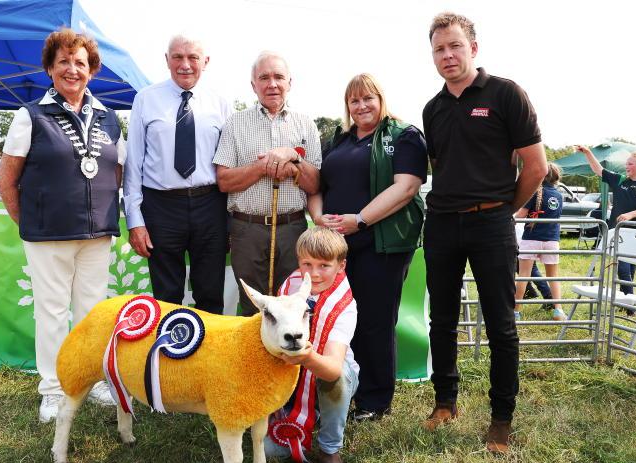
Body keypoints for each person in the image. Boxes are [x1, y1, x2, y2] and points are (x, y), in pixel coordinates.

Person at [421, 12, 548, 454]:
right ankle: (445, 401)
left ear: (473, 48)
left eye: (455, 46)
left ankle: (501, 417)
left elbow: (537, 167)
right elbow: (441, 167)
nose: (448, 55)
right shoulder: (432, 109)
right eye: (439, 48)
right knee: (441, 319)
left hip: (492, 222)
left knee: (501, 324)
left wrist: (503, 210)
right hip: (440, 223)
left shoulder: (506, 94)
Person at [0, 28, 123, 423]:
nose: (72, 69)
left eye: (80, 63)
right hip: (47, 235)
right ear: (50, 68)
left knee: (91, 312)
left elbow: (116, 173)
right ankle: (52, 388)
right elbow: (6, 179)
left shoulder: (110, 118)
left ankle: (93, 380)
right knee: (51, 312)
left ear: (92, 70)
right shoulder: (29, 115)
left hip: (98, 233)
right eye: (63, 62)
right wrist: (29, 220)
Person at [307, 73, 427, 421]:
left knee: (374, 320)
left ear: (381, 99)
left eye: (368, 99)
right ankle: (340, 388)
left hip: (381, 243)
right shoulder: (338, 139)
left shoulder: (404, 136)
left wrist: (358, 219)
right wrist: (318, 218)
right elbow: (317, 183)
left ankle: (374, 401)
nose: (361, 106)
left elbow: (406, 188)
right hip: (338, 247)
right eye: (354, 101)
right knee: (338, 319)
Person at [123, 35, 231, 314]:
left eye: (193, 57)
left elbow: (229, 164)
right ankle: (168, 355)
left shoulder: (220, 104)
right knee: (166, 295)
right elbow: (133, 164)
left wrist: (230, 218)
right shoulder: (145, 99)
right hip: (160, 206)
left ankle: (205, 356)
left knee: (209, 293)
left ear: (205, 62)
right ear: (167, 60)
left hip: (211, 205)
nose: (185, 64)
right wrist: (135, 220)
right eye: (178, 57)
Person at [213, 51, 321, 315]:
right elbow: (224, 181)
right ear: (253, 85)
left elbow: (316, 183)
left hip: (293, 228)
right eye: (264, 78)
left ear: (289, 83)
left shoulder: (306, 124)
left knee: (293, 308)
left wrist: (293, 159)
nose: (272, 84)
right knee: (252, 307)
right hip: (247, 230)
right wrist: (263, 167)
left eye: (278, 77)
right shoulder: (235, 123)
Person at [265, 226, 358, 463]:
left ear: (341, 266)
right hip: (292, 370)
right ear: (298, 262)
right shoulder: (288, 286)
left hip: (328, 371)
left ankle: (329, 451)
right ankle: (284, 414)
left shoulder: (345, 304)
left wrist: (305, 358)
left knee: (336, 380)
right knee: (272, 452)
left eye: (324, 265)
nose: (313, 273)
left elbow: (331, 369)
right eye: (307, 263)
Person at [575, 145, 636, 294]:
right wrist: (588, 153)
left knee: (630, 267)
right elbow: (598, 170)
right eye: (626, 163)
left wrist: (630, 215)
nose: (626, 166)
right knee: (622, 266)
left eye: (630, 163)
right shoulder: (620, 180)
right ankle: (629, 302)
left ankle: (624, 298)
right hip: (619, 232)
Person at [514, 163, 566, 321]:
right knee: (553, 277)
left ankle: (516, 312)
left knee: (524, 275)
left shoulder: (534, 193)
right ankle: (558, 311)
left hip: (531, 239)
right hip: (552, 240)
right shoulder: (559, 195)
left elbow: (520, 215)